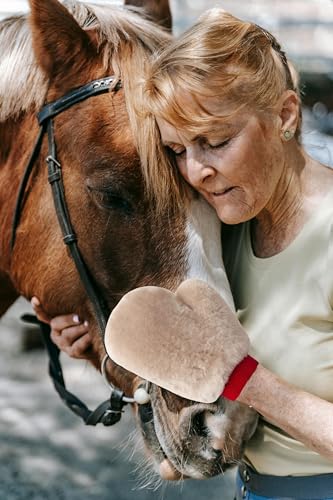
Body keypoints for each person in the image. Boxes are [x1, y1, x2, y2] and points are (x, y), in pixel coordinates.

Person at [32, 8, 333, 499]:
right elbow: (192, 361)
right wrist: (108, 346)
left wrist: (241, 380)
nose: (196, 172)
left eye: (215, 141)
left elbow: (226, 370)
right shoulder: (230, 230)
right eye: (176, 150)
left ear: (285, 115)